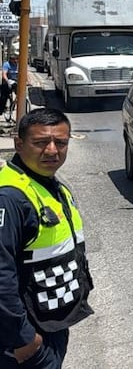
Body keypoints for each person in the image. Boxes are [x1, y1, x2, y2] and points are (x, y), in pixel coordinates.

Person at [0, 108, 94, 368]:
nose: (52, 151)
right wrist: (23, 339)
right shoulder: (10, 197)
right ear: (19, 144)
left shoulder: (47, 183)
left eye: (61, 143)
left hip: (51, 322)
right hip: (25, 337)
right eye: (41, 142)